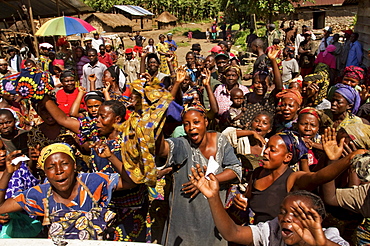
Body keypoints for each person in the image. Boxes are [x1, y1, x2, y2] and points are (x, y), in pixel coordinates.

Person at [0, 142, 136, 240]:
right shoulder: (41, 194)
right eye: (51, 167)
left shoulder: (92, 183)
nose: (59, 171)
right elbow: (1, 208)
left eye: (64, 164)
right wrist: (7, 173)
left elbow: (129, 182)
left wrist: (110, 157)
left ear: (74, 165)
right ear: (45, 172)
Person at [190, 167, 350, 246]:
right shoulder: (273, 231)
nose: (287, 218)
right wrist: (213, 197)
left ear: (316, 219)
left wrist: (320, 243)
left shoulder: (330, 236)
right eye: (283, 212)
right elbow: (233, 233)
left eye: (297, 214)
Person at [156, 101, 242, 246]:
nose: (191, 128)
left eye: (196, 122)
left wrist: (208, 181)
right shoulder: (183, 144)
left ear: (206, 122)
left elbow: (235, 169)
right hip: (184, 220)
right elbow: (163, 149)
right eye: (186, 124)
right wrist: (155, 127)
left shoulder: (220, 140)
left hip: (212, 218)